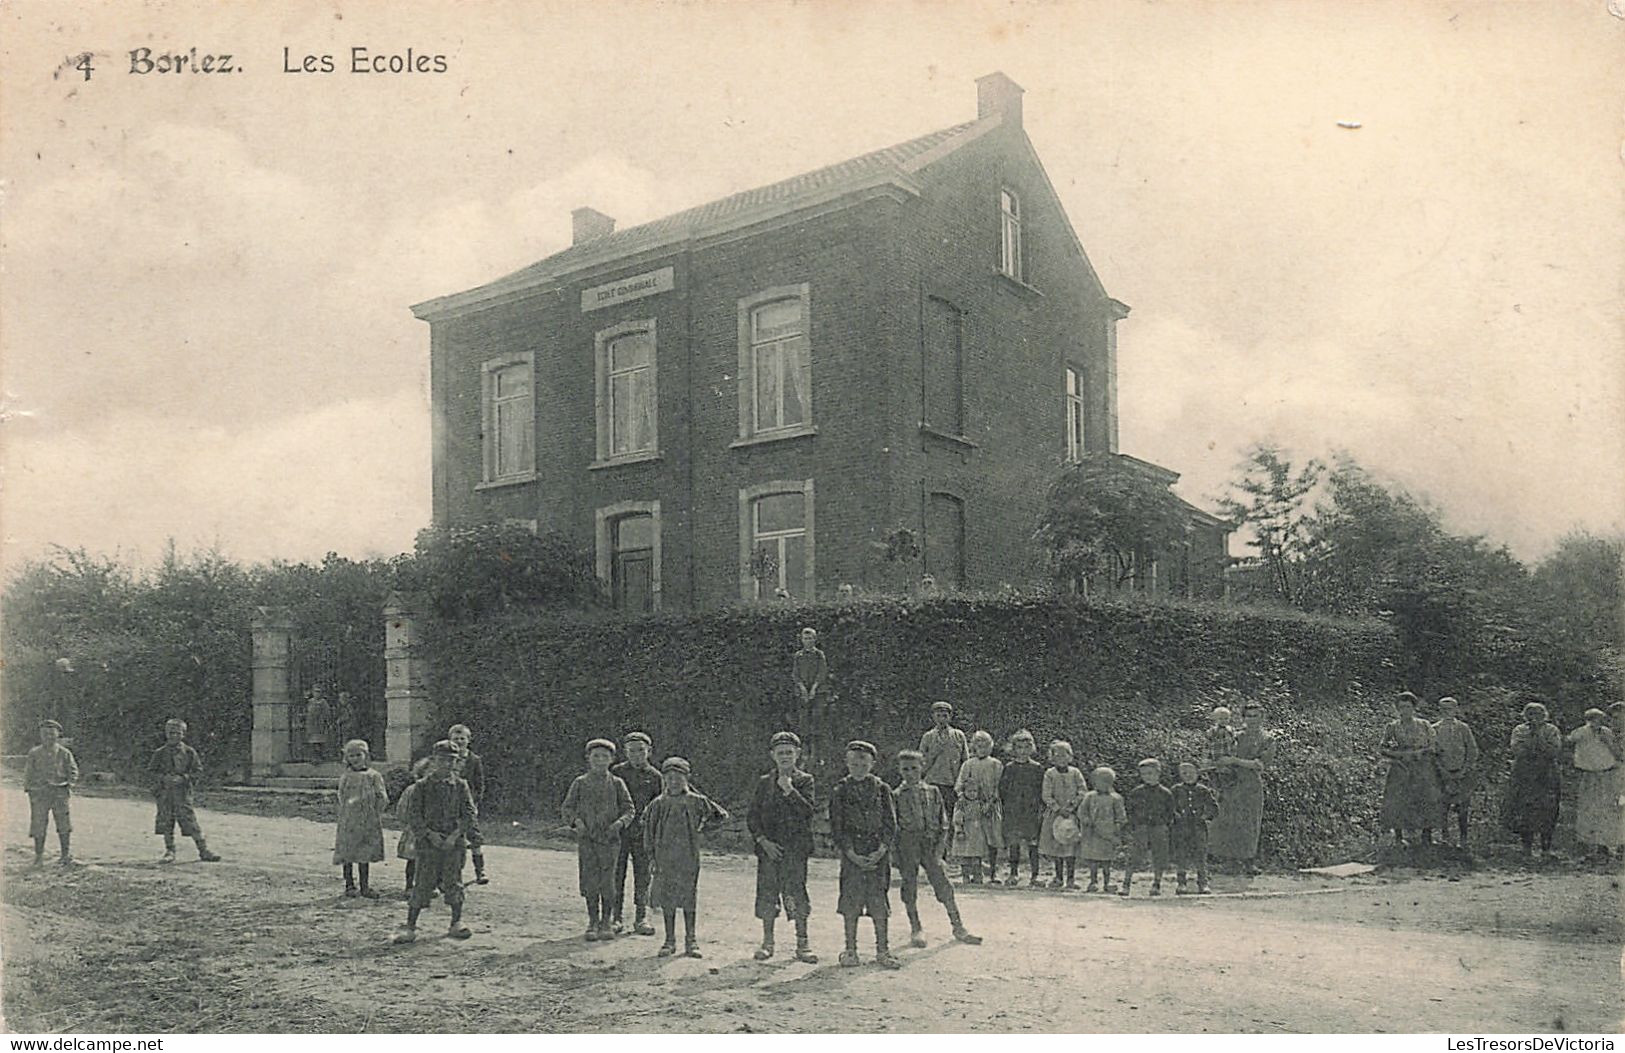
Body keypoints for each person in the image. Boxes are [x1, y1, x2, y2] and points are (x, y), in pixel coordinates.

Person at [893, 749, 981, 949]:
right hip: (908, 844)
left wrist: (940, 848)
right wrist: (896, 854)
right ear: (899, 770)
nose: (910, 773)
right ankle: (916, 928)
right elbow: (894, 826)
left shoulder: (933, 792)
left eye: (914, 768)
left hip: (930, 843)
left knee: (943, 883)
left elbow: (943, 822)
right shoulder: (896, 795)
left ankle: (958, 926)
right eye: (905, 769)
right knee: (910, 885)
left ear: (922, 768)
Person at [643, 756, 728, 958]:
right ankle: (669, 940)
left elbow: (721, 815)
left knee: (689, 897)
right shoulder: (658, 804)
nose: (674, 782)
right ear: (664, 779)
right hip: (664, 858)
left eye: (679, 778)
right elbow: (648, 830)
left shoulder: (696, 801)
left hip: (688, 858)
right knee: (667, 898)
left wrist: (703, 829)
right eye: (669, 778)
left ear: (687, 779)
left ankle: (691, 941)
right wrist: (652, 858)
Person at [392, 740, 476, 944]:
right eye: (442, 760)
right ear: (433, 761)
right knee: (423, 882)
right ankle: (410, 927)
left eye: (451, 760)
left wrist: (456, 835)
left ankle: (456, 922)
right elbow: (414, 816)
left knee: (453, 882)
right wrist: (430, 835)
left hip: (453, 844)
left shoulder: (460, 786)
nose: (446, 765)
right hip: (428, 845)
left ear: (457, 762)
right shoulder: (421, 787)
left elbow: (469, 813)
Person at [748, 731, 819, 963]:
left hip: (795, 850)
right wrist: (763, 842)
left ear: (798, 754)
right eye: (781, 753)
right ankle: (768, 943)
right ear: (772, 755)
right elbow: (753, 817)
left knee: (796, 892)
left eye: (789, 752)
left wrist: (789, 789)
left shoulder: (805, 781)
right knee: (768, 893)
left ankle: (802, 943)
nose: (785, 757)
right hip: (770, 849)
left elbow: (808, 812)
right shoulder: (763, 782)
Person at [828, 740, 900, 968]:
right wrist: (850, 853)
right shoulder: (840, 790)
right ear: (847, 763)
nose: (858, 766)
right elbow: (837, 826)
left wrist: (881, 850)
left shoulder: (882, 789)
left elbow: (891, 824)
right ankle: (850, 950)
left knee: (879, 901)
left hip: (877, 852)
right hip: (853, 853)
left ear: (872, 764)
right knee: (851, 902)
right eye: (854, 762)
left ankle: (883, 950)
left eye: (863, 762)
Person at [561, 738, 635, 941]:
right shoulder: (580, 782)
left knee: (608, 882)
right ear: (588, 759)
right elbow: (567, 808)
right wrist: (577, 822)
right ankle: (592, 921)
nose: (600, 760)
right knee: (589, 880)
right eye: (596, 756)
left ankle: (606, 922)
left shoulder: (617, 783)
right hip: (588, 840)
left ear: (612, 759)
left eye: (605, 756)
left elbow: (629, 809)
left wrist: (619, 824)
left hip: (610, 841)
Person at [1209, 701, 1274, 874]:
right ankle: (1229, 861)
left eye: (1256, 716)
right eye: (1248, 716)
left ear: (1262, 717)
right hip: (1231, 782)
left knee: (1250, 822)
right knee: (1229, 820)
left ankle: (1248, 862)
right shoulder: (1235, 735)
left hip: (1251, 784)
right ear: (1243, 718)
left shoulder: (1267, 738)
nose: (1252, 720)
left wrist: (1234, 761)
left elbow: (1260, 765)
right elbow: (1219, 750)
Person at [611, 730, 663, 935]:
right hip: (619, 831)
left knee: (643, 875)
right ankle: (615, 918)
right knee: (616, 874)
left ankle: (641, 917)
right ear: (625, 752)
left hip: (643, 834)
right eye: (632, 751)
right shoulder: (616, 772)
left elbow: (659, 806)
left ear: (649, 752)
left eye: (641, 750)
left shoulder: (656, 776)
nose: (636, 755)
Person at [1378, 691, 1444, 847]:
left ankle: (1426, 835)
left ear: (1414, 708)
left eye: (1408, 707)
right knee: (1398, 800)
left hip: (1422, 765)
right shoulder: (1392, 727)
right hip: (1401, 767)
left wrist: (1421, 752)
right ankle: (1399, 837)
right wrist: (1398, 754)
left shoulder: (1424, 725)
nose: (1405, 711)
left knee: (1425, 797)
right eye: (1401, 707)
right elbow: (1382, 748)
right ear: (1397, 709)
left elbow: (1434, 745)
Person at [150, 719, 221, 863]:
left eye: (177, 733)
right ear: (165, 734)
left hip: (182, 794)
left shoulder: (189, 752)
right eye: (170, 733)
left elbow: (198, 771)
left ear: (183, 734)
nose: (173, 736)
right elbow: (151, 772)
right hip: (166, 794)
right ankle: (170, 851)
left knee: (191, 822)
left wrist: (184, 778)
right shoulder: (160, 753)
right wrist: (163, 779)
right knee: (167, 822)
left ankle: (203, 850)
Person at [1500, 700, 1562, 860]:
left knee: (1547, 811)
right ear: (1526, 715)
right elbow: (1517, 750)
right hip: (1525, 776)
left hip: (1547, 775)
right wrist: (1533, 742)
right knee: (1525, 811)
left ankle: (1545, 850)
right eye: (1531, 714)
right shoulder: (1519, 730)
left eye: (1539, 714)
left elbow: (1553, 751)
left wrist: (1539, 737)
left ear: (1544, 715)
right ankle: (1526, 849)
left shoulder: (1551, 730)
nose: (1535, 718)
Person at [334, 739, 389, 898]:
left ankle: (365, 886)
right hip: (349, 819)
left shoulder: (374, 776)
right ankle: (349, 884)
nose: (355, 759)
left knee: (364, 852)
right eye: (351, 756)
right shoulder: (346, 776)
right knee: (348, 851)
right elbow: (342, 795)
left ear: (366, 755)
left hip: (368, 819)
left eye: (358, 755)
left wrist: (375, 812)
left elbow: (382, 796)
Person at [1565, 708, 1622, 862]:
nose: (1596, 723)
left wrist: (1607, 741)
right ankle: (1589, 844)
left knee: (1608, 807)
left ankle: (1607, 845)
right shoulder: (1581, 732)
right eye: (1593, 719)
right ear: (1587, 719)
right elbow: (1569, 740)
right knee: (1588, 807)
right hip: (1588, 773)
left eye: (1599, 719)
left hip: (1606, 773)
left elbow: (1615, 751)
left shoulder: (1606, 732)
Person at [953, 730, 1004, 884]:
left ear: (991, 746)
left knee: (992, 838)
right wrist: (963, 799)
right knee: (972, 841)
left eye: (986, 745)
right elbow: (959, 785)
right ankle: (971, 872)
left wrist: (990, 803)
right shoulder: (968, 764)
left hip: (990, 806)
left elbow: (999, 785)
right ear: (973, 747)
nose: (982, 748)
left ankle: (993, 872)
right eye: (978, 745)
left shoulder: (996, 764)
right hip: (971, 808)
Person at [24, 719, 78, 866]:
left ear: (57, 735)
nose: (48, 737)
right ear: (40, 736)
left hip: (59, 792)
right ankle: (39, 856)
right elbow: (28, 773)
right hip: (40, 793)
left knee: (64, 824)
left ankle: (65, 855)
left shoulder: (64, 753)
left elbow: (73, 771)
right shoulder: (34, 753)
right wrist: (30, 790)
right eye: (45, 734)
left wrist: (68, 785)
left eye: (51, 734)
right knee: (38, 824)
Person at [1432, 696, 1481, 848]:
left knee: (1463, 808)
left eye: (1450, 709)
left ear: (1456, 710)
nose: (1447, 712)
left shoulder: (1463, 728)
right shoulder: (1434, 729)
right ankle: (1445, 838)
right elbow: (1432, 754)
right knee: (1442, 807)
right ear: (1439, 711)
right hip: (1442, 774)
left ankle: (1463, 839)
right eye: (1444, 709)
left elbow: (1472, 751)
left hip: (1462, 773)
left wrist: (1464, 769)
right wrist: (1442, 771)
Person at [998, 729, 1045, 888]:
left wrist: (1039, 807)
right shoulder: (1009, 768)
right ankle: (1013, 873)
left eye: (1026, 747)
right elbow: (1003, 789)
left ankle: (1035, 875)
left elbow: (1041, 789)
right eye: (1019, 747)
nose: (1023, 751)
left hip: (1031, 810)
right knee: (1014, 843)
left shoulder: (1037, 768)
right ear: (1013, 749)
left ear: (1031, 748)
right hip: (1014, 810)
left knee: (1033, 843)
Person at [1038, 739, 1087, 889]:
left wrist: (1072, 807)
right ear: (1051, 758)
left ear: (1070, 756)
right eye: (1057, 756)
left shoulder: (1075, 773)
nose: (1061, 759)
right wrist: (1058, 808)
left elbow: (1082, 790)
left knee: (1070, 846)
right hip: (1055, 814)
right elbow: (1046, 795)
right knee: (1057, 847)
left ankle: (1071, 878)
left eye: (1064, 755)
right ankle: (1058, 877)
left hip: (1071, 814)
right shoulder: (1050, 774)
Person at [1122, 758, 1174, 897]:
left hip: (1158, 827)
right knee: (1135, 855)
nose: (1147, 777)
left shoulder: (1165, 793)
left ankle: (1157, 883)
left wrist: (1163, 824)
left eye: (1150, 773)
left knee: (1159, 855)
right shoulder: (1137, 792)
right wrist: (1134, 825)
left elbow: (1170, 812)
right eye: (1144, 774)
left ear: (1158, 773)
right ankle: (1126, 883)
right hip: (1141, 827)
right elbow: (1130, 810)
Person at [447, 724, 489, 884]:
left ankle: (480, 871)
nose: (459, 742)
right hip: (448, 804)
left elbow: (479, 785)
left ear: (468, 740)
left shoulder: (474, 760)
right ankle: (449, 875)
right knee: (452, 838)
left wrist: (474, 803)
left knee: (474, 837)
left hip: (467, 804)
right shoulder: (447, 759)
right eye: (456, 739)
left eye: (462, 738)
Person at [1170, 760, 1218, 894]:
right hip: (1181, 827)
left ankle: (1203, 883)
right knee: (1181, 855)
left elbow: (1213, 807)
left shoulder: (1203, 790)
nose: (1188, 775)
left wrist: (1205, 817)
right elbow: (1169, 807)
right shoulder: (1176, 790)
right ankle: (1181, 883)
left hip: (1198, 827)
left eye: (1191, 772)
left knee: (1200, 855)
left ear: (1198, 773)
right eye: (1184, 773)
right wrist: (1176, 815)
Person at [1078, 766, 1127, 893]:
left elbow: (1121, 815)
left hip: (1108, 833)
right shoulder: (1089, 796)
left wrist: (1117, 826)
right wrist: (1086, 820)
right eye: (1099, 781)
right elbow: (1082, 811)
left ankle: (1107, 882)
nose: (1102, 784)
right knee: (1093, 860)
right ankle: (1093, 881)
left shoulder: (1116, 798)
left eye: (1106, 781)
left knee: (1106, 861)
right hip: (1092, 833)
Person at [920, 702, 969, 820]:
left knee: (952, 817)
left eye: (945, 716)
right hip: (933, 784)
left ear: (950, 717)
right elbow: (920, 764)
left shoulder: (958, 735)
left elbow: (966, 762)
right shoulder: (928, 737)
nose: (942, 719)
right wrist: (933, 753)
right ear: (933, 717)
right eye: (938, 715)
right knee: (933, 818)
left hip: (952, 785)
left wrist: (963, 783)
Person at [791, 627, 828, 742]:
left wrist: (813, 689)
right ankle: (804, 746)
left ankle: (817, 747)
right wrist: (802, 688)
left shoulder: (819, 655)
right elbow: (795, 674)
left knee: (817, 717)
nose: (808, 641)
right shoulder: (798, 655)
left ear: (815, 639)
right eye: (805, 638)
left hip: (818, 691)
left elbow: (822, 673)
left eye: (810, 638)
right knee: (803, 718)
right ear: (802, 640)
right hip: (802, 692)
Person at [1202, 706, 1237, 792]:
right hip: (1215, 760)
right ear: (1215, 719)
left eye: (1226, 718)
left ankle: (1228, 794)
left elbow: (1234, 744)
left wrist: (1233, 757)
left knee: (1229, 780)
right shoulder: (1212, 732)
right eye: (1220, 719)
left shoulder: (1231, 730)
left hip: (1228, 760)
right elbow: (1207, 746)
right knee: (1215, 782)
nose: (1223, 721)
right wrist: (1206, 761)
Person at [304, 686, 332, 763]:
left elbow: (327, 714)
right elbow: (308, 712)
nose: (317, 694)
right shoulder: (310, 702)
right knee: (312, 742)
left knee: (320, 741)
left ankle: (321, 756)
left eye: (319, 692)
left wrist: (326, 722)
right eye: (315, 692)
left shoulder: (323, 703)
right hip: (312, 725)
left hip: (320, 725)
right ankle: (313, 757)